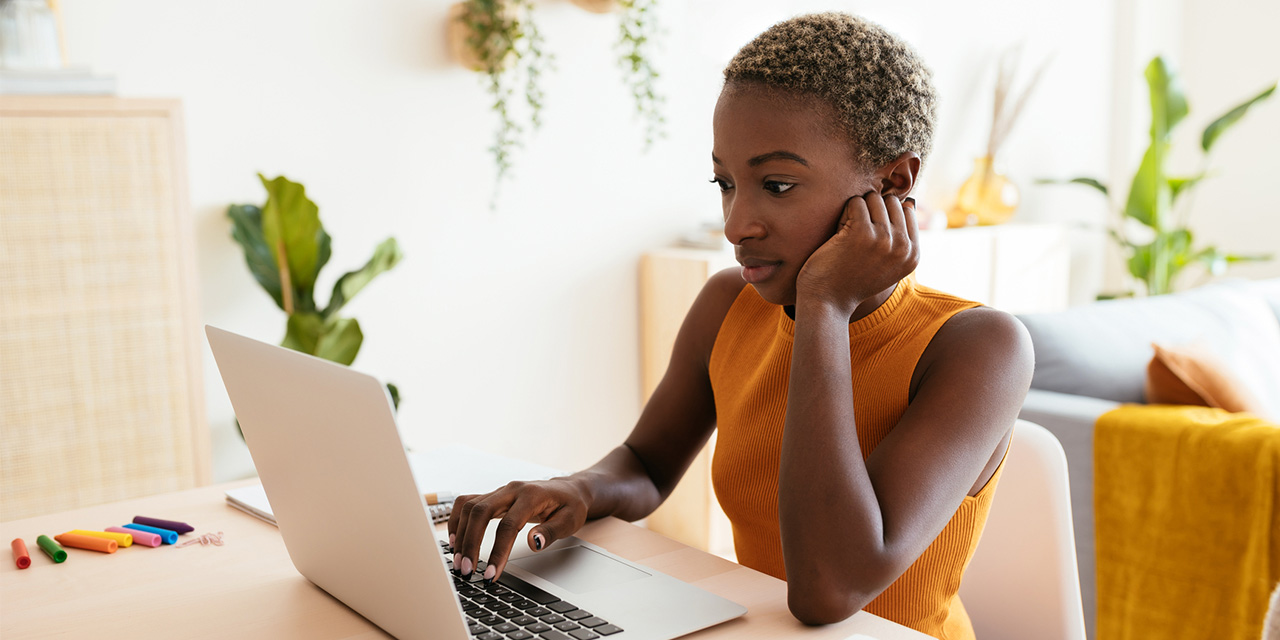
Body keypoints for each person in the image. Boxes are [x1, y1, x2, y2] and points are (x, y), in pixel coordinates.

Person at [448, 12, 1034, 638]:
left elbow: (829, 589)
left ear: (893, 182)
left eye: (777, 185)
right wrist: (578, 488)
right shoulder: (729, 303)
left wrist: (825, 307)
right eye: (726, 183)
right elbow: (646, 464)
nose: (736, 223)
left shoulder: (979, 348)